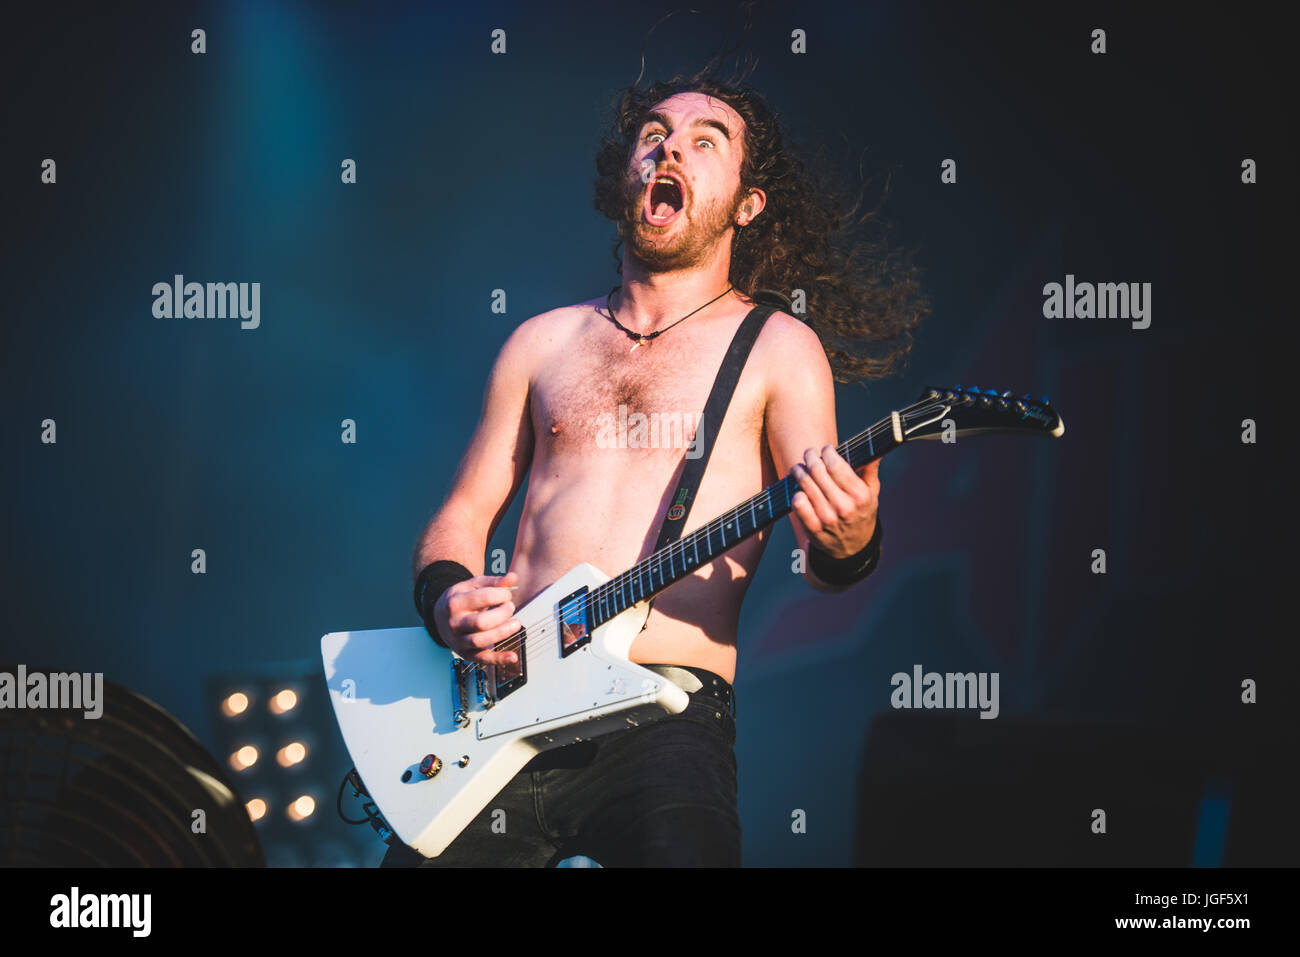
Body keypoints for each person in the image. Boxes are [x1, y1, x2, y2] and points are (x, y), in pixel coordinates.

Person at [389, 72, 927, 867]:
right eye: (654, 135)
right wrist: (446, 601)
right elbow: (462, 513)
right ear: (628, 177)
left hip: (668, 713)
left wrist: (852, 536)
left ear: (747, 205)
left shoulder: (778, 346)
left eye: (706, 141)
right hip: (501, 710)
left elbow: (826, 564)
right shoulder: (541, 341)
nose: (671, 145)